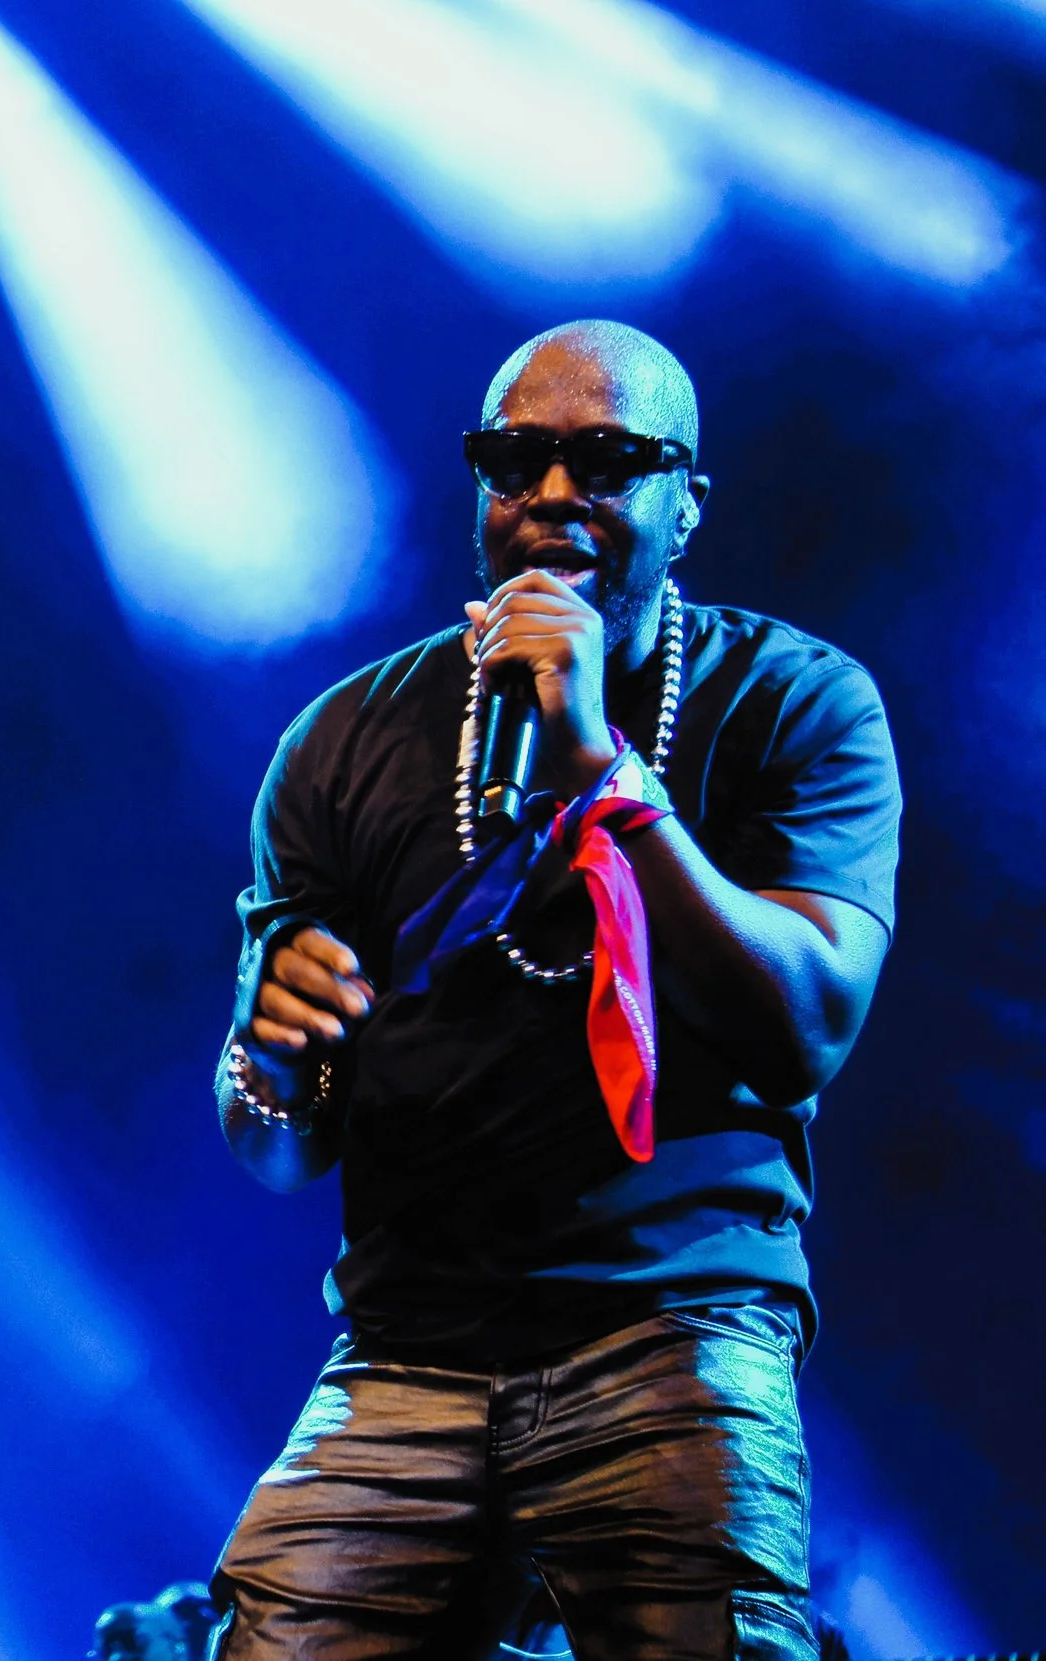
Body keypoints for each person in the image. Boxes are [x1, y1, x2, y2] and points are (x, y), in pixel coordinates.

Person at [209, 322, 899, 1659]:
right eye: (517, 459)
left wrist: (602, 771)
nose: (556, 495)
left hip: (674, 1325)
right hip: (408, 1351)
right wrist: (271, 1064)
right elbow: (276, 1149)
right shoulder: (342, 743)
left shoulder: (800, 706)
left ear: (686, 505)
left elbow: (806, 1022)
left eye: (609, 460)